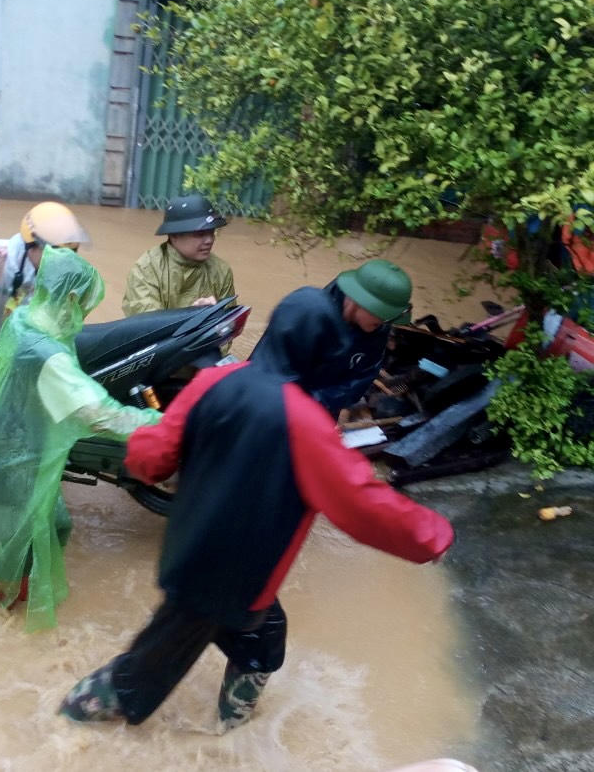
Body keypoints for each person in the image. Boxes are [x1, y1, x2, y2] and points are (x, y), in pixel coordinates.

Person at [60, 292, 454, 732]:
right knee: (137, 680)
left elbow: (152, 457)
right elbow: (360, 503)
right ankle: (64, 728)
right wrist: (432, 535)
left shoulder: (213, 382)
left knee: (262, 644)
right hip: (234, 580)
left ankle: (231, 734)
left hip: (191, 553)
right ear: (324, 351)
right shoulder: (306, 424)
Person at [0, 246, 161, 630]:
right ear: (70, 297)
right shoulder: (45, 354)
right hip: (15, 474)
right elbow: (99, 414)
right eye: (85, 304)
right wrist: (162, 423)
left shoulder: (22, 319)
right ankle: (0, 642)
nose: (84, 314)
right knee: (13, 579)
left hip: (2, 458)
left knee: (48, 534)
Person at [250, 258, 413, 417]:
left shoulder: (378, 328)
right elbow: (266, 367)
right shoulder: (308, 314)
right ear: (359, 302)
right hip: (273, 406)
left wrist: (313, 404)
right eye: (382, 314)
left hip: (318, 411)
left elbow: (363, 377)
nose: (385, 322)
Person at [0, 201, 90, 337]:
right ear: (30, 245)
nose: (60, 262)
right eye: (54, 254)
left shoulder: (69, 277)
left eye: (68, 255)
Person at [121, 194, 235, 315]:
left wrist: (213, 316)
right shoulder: (147, 269)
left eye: (211, 232)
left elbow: (229, 322)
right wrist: (191, 317)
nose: (209, 240)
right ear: (174, 235)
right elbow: (145, 324)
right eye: (200, 234)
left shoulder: (221, 271)